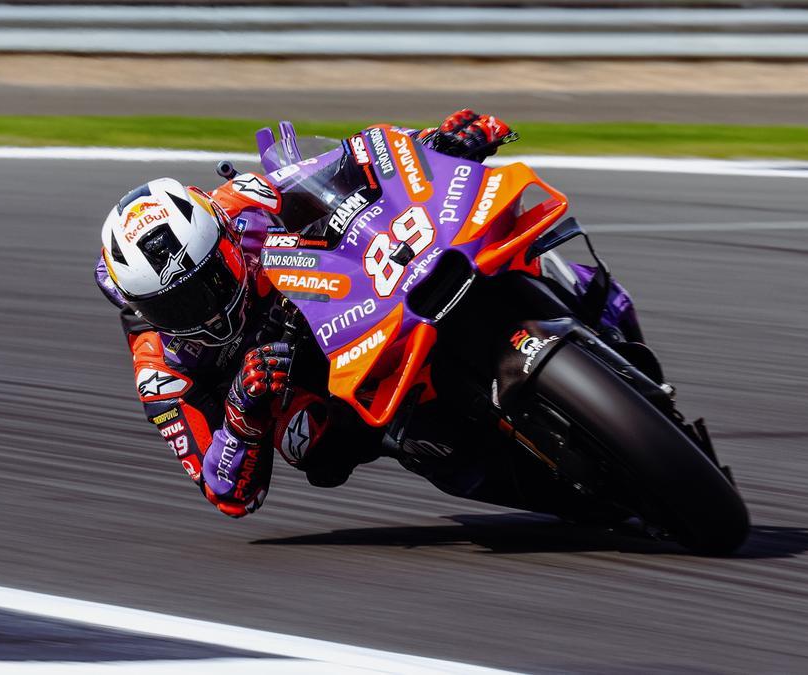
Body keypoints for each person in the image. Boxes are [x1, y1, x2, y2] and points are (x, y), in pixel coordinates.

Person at [94, 111, 518, 517]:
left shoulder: (240, 203)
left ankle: (573, 285)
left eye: (212, 281)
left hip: (356, 290)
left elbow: (362, 157)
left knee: (472, 228)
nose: (204, 312)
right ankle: (442, 444)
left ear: (224, 239)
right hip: (306, 376)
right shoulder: (160, 369)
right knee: (307, 440)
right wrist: (242, 414)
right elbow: (230, 495)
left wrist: (435, 143)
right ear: (136, 302)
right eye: (173, 305)